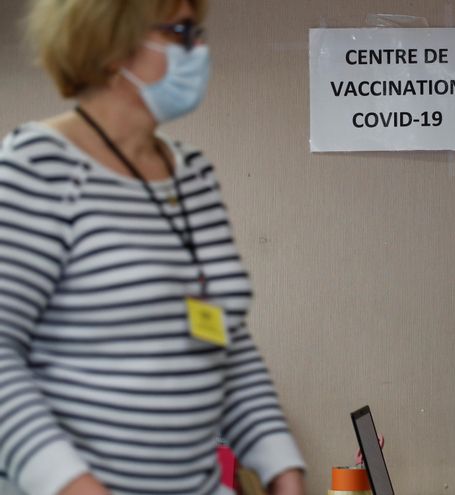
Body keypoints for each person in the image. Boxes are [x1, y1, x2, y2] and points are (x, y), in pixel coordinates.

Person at [0, 1, 305, 494]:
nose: (200, 50)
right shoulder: (38, 165)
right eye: (182, 33)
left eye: (199, 32)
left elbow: (226, 341)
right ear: (113, 45)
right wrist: (70, 484)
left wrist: (281, 465)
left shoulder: (193, 175)